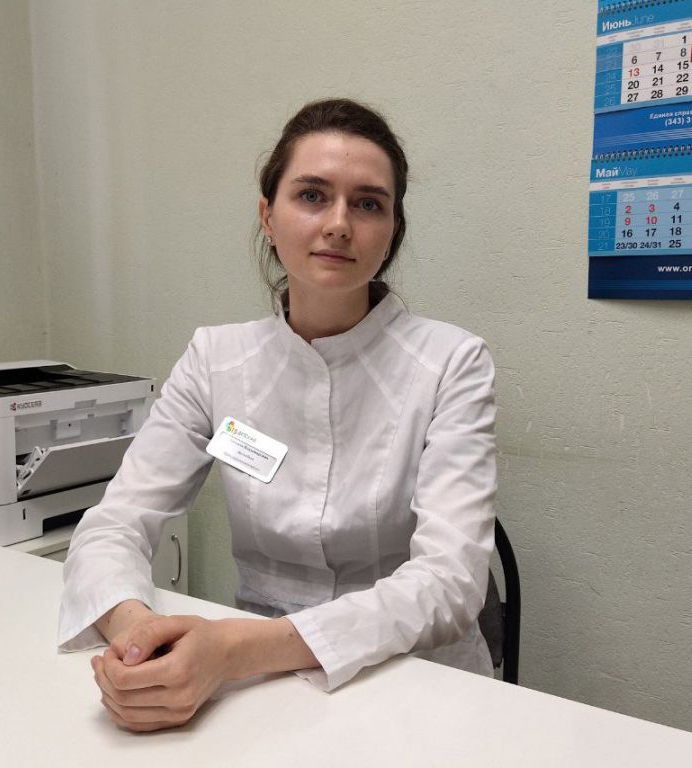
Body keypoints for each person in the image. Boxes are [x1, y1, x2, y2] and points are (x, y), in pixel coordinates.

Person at [58, 98, 498, 732]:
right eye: (312, 195)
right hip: (251, 694)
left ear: (392, 230)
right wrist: (138, 636)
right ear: (268, 215)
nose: (339, 224)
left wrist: (236, 649)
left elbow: (451, 581)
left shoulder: (451, 362)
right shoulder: (216, 360)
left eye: (368, 204)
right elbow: (115, 523)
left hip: (414, 682)